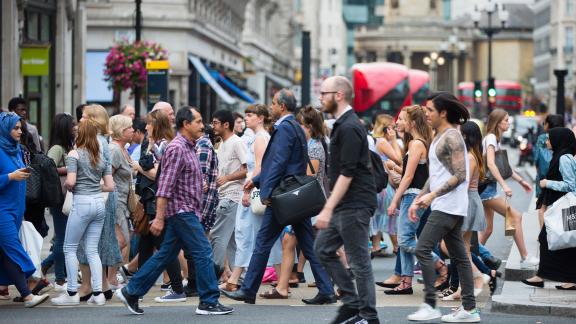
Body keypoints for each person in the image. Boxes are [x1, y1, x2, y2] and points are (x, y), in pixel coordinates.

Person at [116, 106, 234, 316]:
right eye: (197, 121)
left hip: (187, 211)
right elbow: (165, 186)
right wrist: (159, 218)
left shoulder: (189, 146)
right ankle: (208, 301)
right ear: (185, 124)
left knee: (165, 255)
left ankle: (131, 291)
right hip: (181, 211)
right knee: (204, 252)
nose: (202, 125)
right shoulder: (177, 148)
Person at [222, 89, 335, 305]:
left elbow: (278, 162)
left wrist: (265, 192)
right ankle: (327, 290)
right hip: (294, 196)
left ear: (282, 106)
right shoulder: (296, 127)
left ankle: (248, 290)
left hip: (282, 195)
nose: (271, 107)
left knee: (262, 242)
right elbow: (282, 161)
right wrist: (255, 180)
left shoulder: (284, 128)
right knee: (308, 245)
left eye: (273, 103)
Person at [407, 92, 480, 322]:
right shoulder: (439, 136)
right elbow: (437, 174)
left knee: (422, 249)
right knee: (460, 256)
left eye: (429, 110)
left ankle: (430, 305)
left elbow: (460, 175)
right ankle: (470, 309)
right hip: (445, 203)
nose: (426, 114)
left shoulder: (452, 137)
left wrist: (432, 197)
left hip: (448, 206)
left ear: (443, 113)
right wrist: (421, 196)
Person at [311, 76, 378, 323]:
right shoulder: (342, 124)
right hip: (345, 204)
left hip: (355, 203)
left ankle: (369, 317)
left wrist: (327, 208)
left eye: (324, 93)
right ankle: (351, 301)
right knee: (322, 248)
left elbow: (348, 172)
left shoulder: (350, 127)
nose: (320, 97)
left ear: (338, 95)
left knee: (359, 263)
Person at [260, 105, 328, 299]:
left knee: (309, 245)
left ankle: (335, 282)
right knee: (296, 244)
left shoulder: (314, 146)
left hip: (304, 201)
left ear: (308, 126)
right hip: (301, 201)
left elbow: (309, 178)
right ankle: (286, 285)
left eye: (301, 125)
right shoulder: (311, 143)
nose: (298, 128)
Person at [51, 118, 115, 306]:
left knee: (69, 248)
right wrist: (95, 186)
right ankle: (98, 294)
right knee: (92, 250)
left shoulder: (74, 154)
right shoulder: (101, 158)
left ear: (80, 135)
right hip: (98, 204)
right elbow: (110, 186)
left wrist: (75, 186)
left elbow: (70, 181)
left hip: (82, 203)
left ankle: (71, 292)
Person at [130, 109, 185, 302]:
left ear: (157, 125)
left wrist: (139, 168)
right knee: (146, 246)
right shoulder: (152, 143)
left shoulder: (167, 144)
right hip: (149, 200)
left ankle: (177, 289)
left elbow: (158, 175)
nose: (145, 127)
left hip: (159, 202)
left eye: (149, 123)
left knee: (164, 248)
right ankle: (136, 290)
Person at [0, 111, 49, 308]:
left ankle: (25, 293)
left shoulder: (18, 150)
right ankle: (29, 293)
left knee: (6, 254)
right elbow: (10, 177)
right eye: (15, 128)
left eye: (21, 127)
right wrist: (10, 177)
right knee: (13, 250)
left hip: (16, 212)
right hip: (2, 211)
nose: (20, 131)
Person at [382, 105, 433, 295]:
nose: (397, 122)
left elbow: (409, 176)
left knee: (404, 240)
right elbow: (407, 171)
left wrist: (394, 200)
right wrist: (394, 168)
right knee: (406, 237)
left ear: (411, 123)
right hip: (411, 194)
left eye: (402, 119)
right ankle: (405, 281)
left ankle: (438, 264)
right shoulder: (414, 143)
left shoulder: (417, 144)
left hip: (413, 195)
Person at [479, 109, 537, 269]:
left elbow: (505, 167)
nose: (508, 122)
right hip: (486, 190)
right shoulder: (490, 138)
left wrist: (521, 181)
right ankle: (524, 257)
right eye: (505, 120)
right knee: (514, 217)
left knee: (488, 229)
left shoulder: (495, 139)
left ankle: (471, 258)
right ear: (497, 122)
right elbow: (491, 163)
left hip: (487, 188)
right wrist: (505, 185)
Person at [221, 104, 270, 293]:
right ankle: (237, 278)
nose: (246, 118)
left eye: (250, 115)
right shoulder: (260, 137)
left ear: (260, 118)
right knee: (250, 236)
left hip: (251, 190)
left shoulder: (260, 138)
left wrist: (248, 190)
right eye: (246, 115)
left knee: (246, 235)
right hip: (251, 189)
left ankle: (237, 278)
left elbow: (258, 168)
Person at [522, 128, 576, 290]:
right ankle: (553, 277)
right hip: (558, 206)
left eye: (549, 139)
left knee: (550, 238)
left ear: (558, 139)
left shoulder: (564, 158)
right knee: (561, 241)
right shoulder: (560, 156)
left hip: (563, 207)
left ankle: (543, 276)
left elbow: (571, 185)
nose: (546, 142)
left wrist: (547, 183)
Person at [441, 121, 490, 301]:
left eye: (460, 133)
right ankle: (463, 288)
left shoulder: (469, 157)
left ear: (467, 136)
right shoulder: (472, 155)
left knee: (450, 245)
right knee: (465, 248)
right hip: (470, 200)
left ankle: (478, 275)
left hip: (467, 201)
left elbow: (462, 183)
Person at [210, 110, 248, 278]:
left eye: (216, 123)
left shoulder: (236, 142)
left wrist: (227, 178)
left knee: (216, 237)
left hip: (231, 196)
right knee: (232, 241)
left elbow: (247, 169)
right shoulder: (223, 143)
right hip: (226, 196)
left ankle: (213, 275)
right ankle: (239, 278)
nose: (213, 126)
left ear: (226, 124)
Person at [44, 113, 76, 292]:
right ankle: (60, 279)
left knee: (66, 238)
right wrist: (68, 168)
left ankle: (48, 267)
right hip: (59, 198)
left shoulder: (66, 146)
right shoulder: (57, 148)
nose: (75, 128)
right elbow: (48, 168)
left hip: (66, 197)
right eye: (72, 126)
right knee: (62, 238)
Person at [108, 115, 135, 264]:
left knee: (123, 240)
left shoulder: (123, 149)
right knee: (121, 240)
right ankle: (93, 272)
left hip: (123, 203)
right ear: (121, 130)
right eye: (129, 127)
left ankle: (110, 276)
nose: (133, 130)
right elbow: (107, 177)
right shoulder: (114, 150)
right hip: (116, 202)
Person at [534, 114, 564, 228]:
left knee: (542, 207)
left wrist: (539, 173)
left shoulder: (542, 138)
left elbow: (536, 158)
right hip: (559, 175)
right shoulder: (564, 136)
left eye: (544, 123)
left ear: (548, 124)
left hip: (543, 177)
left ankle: (543, 235)